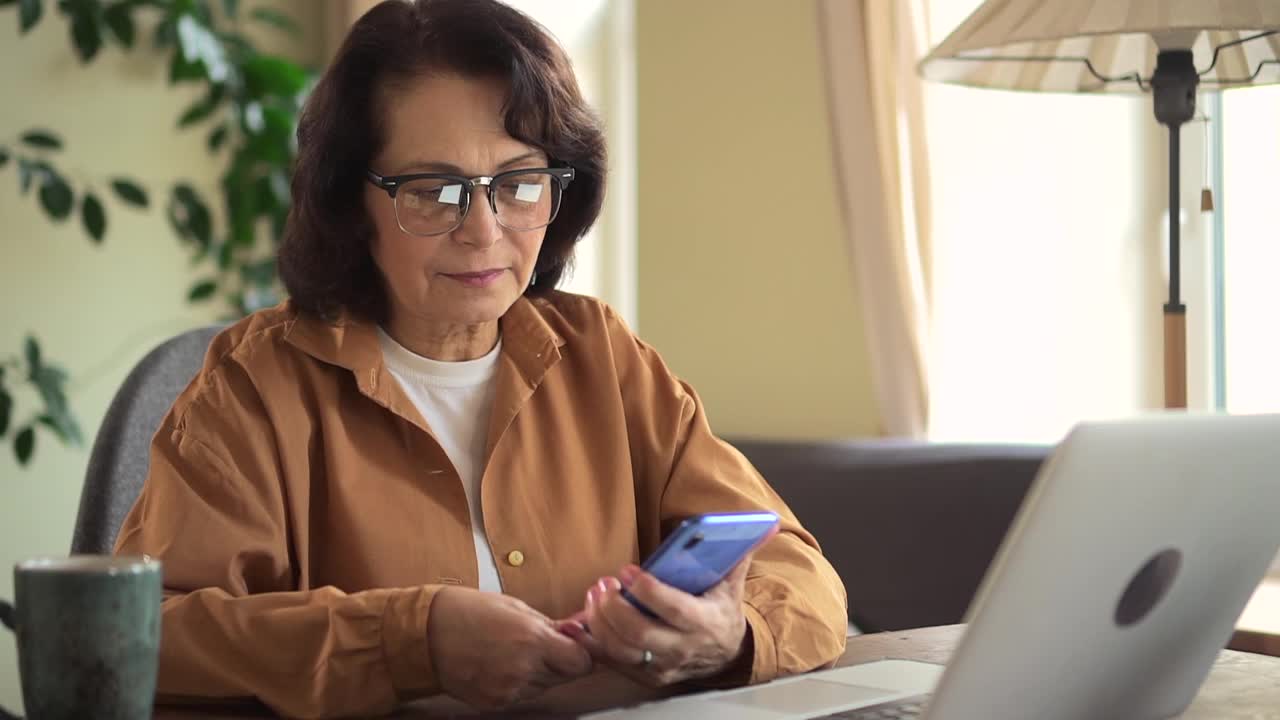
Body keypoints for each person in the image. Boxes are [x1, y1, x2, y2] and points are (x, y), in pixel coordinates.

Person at [114, 0, 848, 717]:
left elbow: (796, 568)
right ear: (350, 204)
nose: (484, 230)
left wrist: (730, 637)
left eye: (519, 183)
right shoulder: (256, 384)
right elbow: (145, 634)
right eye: (435, 192)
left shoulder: (604, 356)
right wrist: (409, 641)